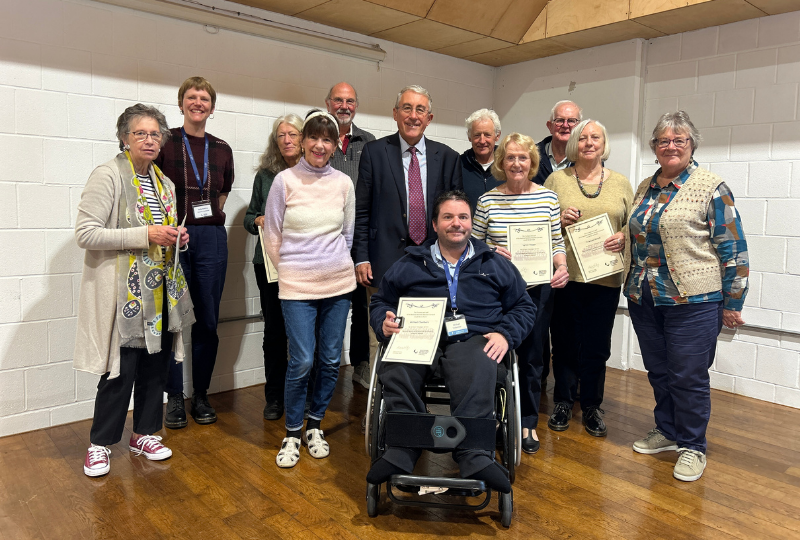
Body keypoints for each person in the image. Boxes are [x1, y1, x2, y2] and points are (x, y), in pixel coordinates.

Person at [365, 190, 536, 494]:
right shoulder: (410, 263)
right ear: (435, 224)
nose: (456, 223)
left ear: (471, 223)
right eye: (448, 217)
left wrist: (505, 334)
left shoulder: (494, 263)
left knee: (477, 361)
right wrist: (384, 321)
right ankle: (403, 448)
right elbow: (380, 301)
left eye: (463, 217)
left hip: (474, 336)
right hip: (420, 334)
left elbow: (524, 306)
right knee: (397, 362)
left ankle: (474, 454)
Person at [626, 111, 748, 482]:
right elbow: (638, 233)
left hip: (694, 301)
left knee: (688, 376)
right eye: (663, 140)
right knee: (659, 371)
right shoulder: (646, 184)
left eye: (680, 140)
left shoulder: (711, 187)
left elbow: (734, 248)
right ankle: (667, 429)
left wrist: (733, 302)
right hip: (644, 296)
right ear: (654, 147)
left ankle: (693, 445)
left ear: (692, 144)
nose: (671, 146)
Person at [74, 104, 194, 477]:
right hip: (122, 295)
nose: (149, 140)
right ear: (124, 138)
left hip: (159, 293)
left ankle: (144, 433)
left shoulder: (165, 184)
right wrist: (147, 234)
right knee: (119, 371)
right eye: (140, 133)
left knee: (154, 368)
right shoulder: (108, 175)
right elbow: (86, 234)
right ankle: (99, 444)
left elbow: (163, 235)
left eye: (155, 134)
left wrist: (178, 239)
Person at [354, 85, 463, 392]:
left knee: (428, 332)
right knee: (384, 332)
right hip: (383, 261)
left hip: (432, 266)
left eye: (419, 110)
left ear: (429, 118)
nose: (413, 116)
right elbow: (362, 210)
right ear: (395, 114)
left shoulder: (448, 157)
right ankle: (384, 402)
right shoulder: (375, 153)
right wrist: (361, 256)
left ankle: (419, 402)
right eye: (406, 108)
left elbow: (454, 218)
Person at [264, 110, 356, 468]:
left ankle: (314, 424)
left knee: (331, 359)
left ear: (335, 145)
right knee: (302, 360)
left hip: (337, 284)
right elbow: (272, 234)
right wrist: (293, 268)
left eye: (327, 139)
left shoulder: (344, 184)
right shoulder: (284, 181)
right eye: (313, 138)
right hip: (297, 286)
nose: (320, 145)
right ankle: (291, 431)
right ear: (302, 141)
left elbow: (347, 234)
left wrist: (330, 263)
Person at [472, 133, 569, 455]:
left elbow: (557, 241)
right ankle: (496, 418)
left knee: (532, 359)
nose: (516, 163)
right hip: (497, 292)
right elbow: (471, 245)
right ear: (502, 162)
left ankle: (527, 420)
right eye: (510, 157)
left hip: (538, 291)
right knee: (494, 354)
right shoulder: (487, 201)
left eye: (523, 158)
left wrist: (561, 265)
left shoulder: (548, 199)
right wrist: (490, 250)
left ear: (532, 162)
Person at [544, 119, 633, 438]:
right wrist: (559, 220)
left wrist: (623, 238)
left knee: (597, 345)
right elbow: (542, 223)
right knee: (565, 342)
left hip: (605, 278)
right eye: (583, 138)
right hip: (566, 276)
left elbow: (632, 225)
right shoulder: (556, 179)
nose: (589, 142)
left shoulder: (621, 182)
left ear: (604, 143)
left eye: (595, 137)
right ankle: (564, 401)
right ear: (574, 144)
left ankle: (593, 405)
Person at [156, 76, 234, 428]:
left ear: (212, 107)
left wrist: (207, 218)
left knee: (207, 320)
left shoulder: (222, 148)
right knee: (173, 320)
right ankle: (174, 396)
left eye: (204, 98)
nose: (198, 102)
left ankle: (199, 394)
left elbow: (223, 194)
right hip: (173, 238)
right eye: (191, 97)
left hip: (210, 238)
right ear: (181, 102)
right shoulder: (165, 141)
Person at [243, 114, 303, 420]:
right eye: (282, 135)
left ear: (304, 138)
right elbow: (247, 216)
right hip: (268, 265)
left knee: (304, 333)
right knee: (275, 333)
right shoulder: (265, 176)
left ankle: (302, 396)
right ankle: (274, 398)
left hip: (306, 263)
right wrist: (258, 219)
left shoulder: (314, 173)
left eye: (293, 134)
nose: (288, 140)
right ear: (275, 141)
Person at [324, 82, 377, 390]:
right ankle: (324, 370)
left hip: (359, 236)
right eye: (338, 100)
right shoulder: (319, 138)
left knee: (362, 304)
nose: (344, 106)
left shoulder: (369, 143)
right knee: (330, 304)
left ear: (356, 105)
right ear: (328, 103)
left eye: (350, 101)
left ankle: (360, 363)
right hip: (327, 238)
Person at [533, 101, 582, 386]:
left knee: (567, 328)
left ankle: (567, 387)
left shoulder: (588, 161)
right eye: (560, 121)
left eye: (572, 121)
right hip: (535, 257)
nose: (566, 126)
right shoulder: (531, 157)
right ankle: (535, 385)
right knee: (537, 326)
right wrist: (554, 221)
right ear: (550, 125)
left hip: (573, 261)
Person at [460, 108, 502, 214]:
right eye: (477, 135)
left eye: (487, 135)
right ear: (469, 137)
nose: (482, 141)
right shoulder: (458, 165)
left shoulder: (508, 166)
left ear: (497, 136)